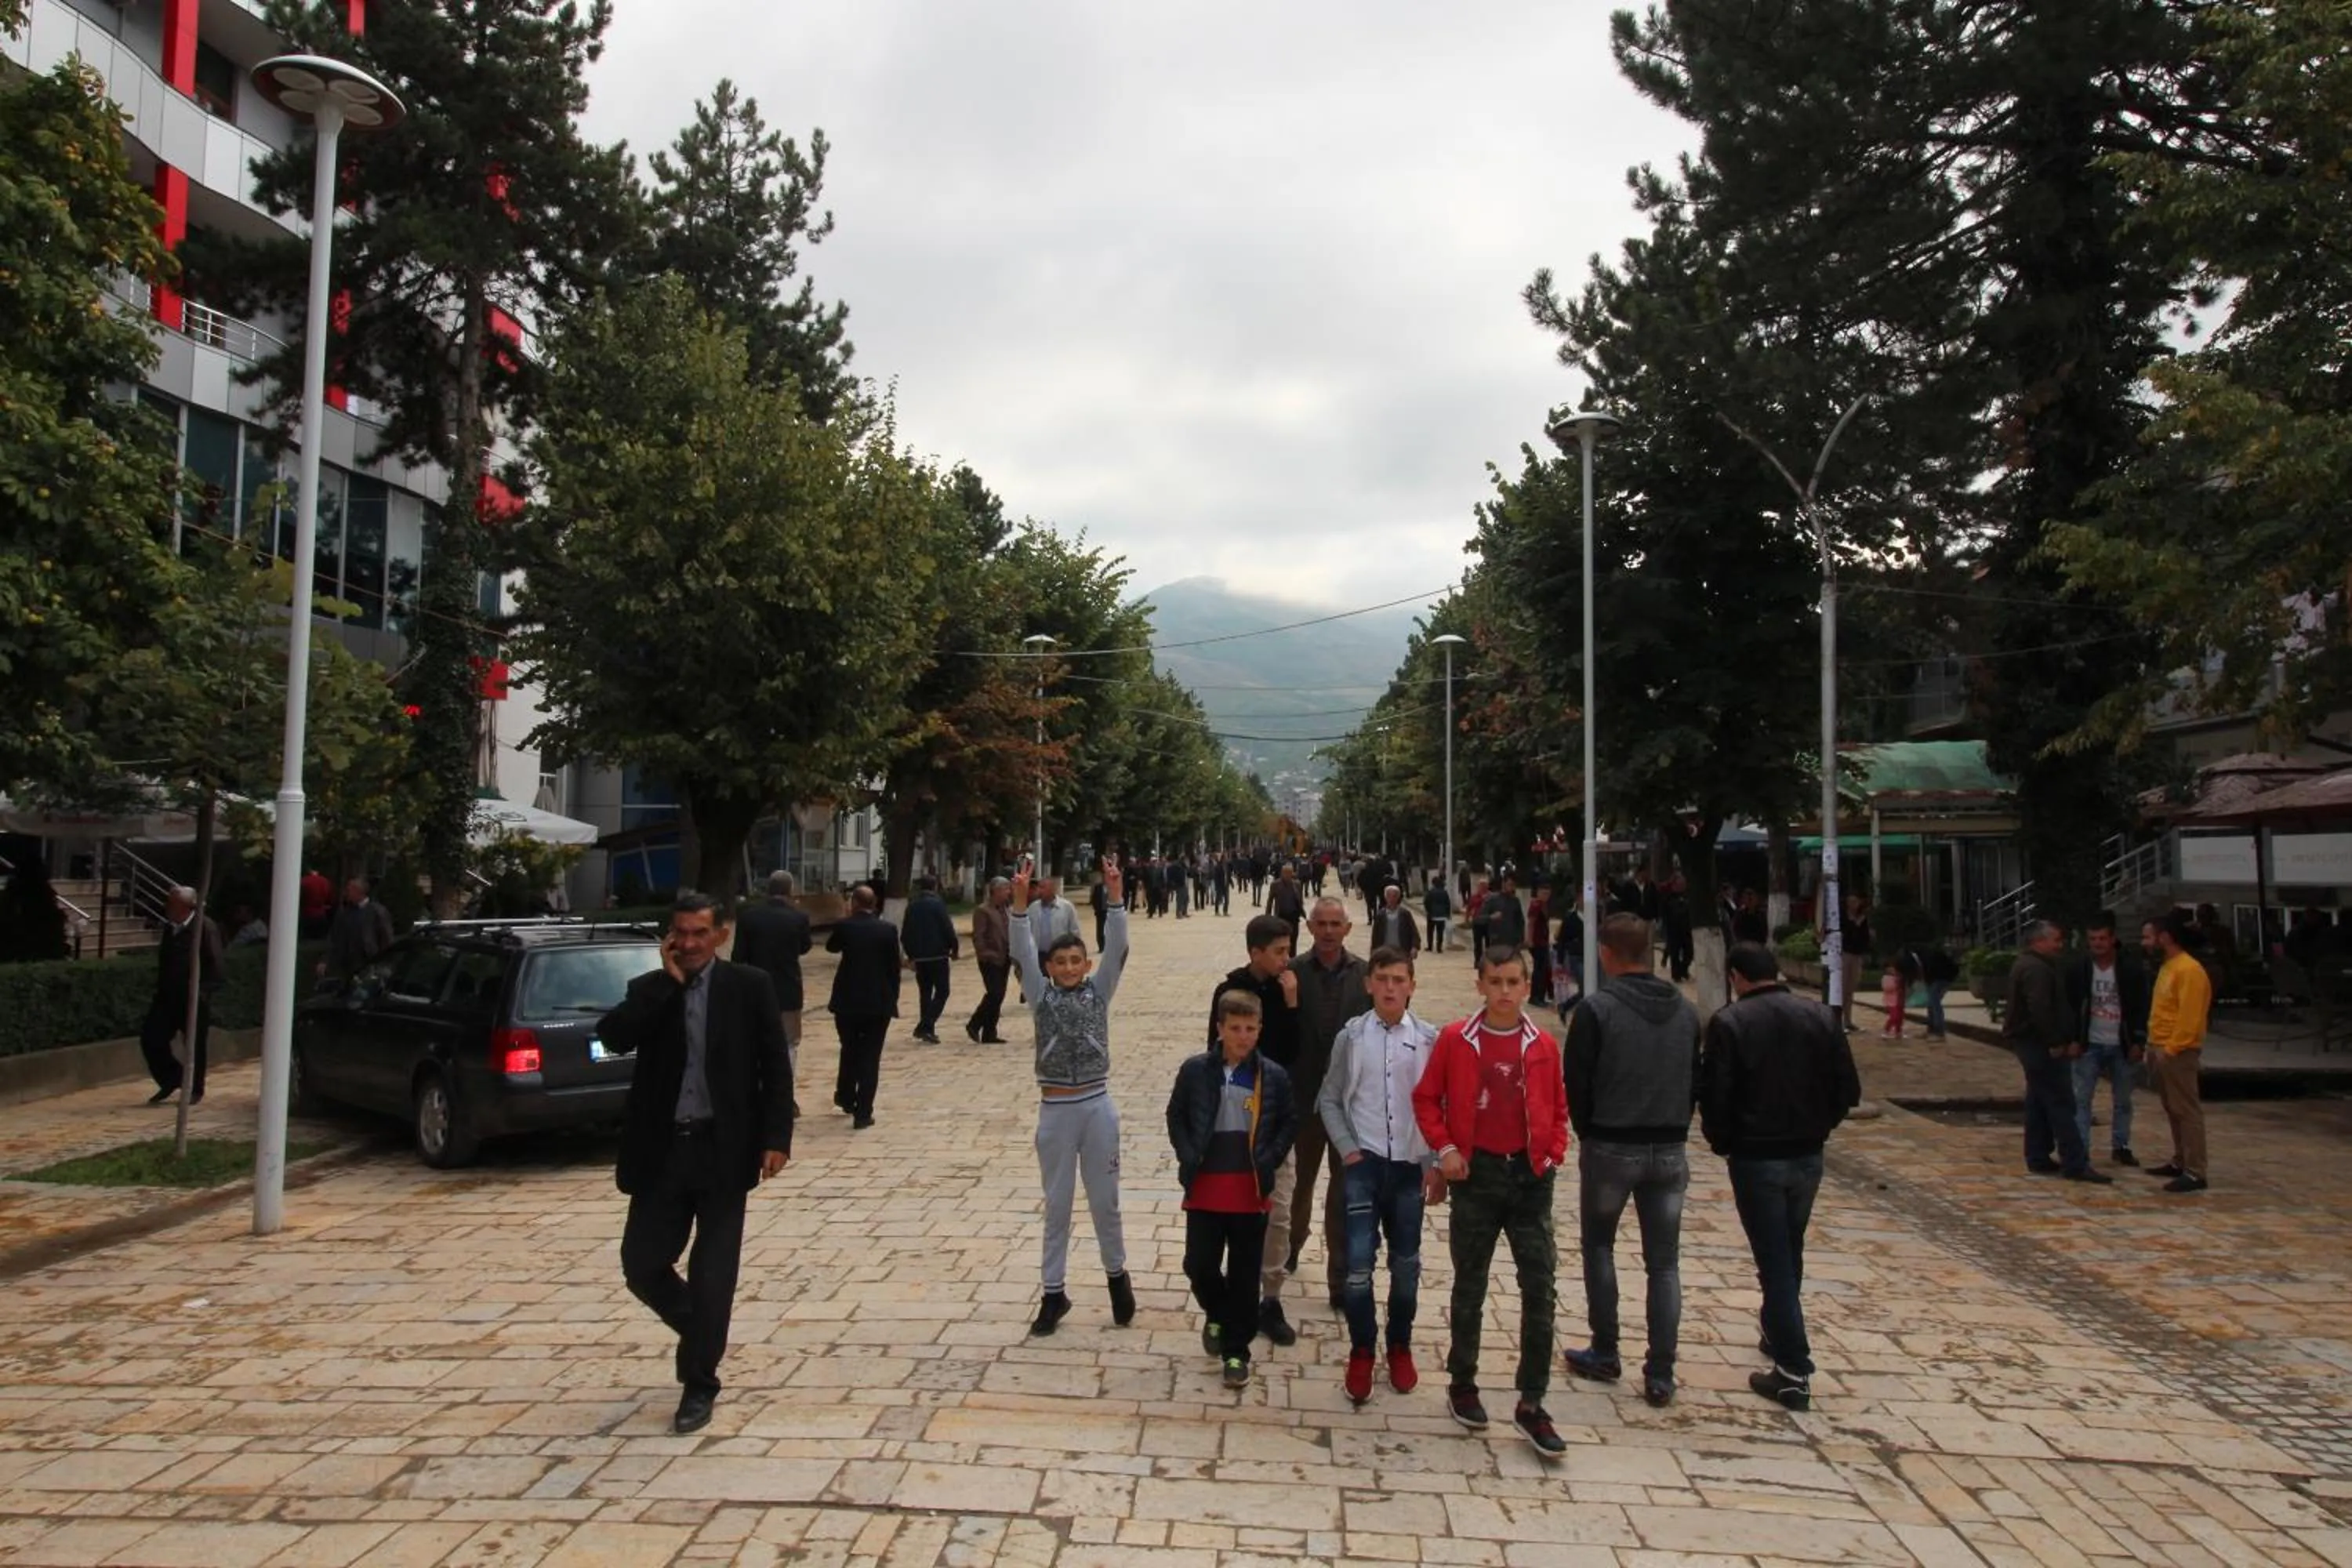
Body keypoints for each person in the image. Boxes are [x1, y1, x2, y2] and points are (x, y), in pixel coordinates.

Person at [602, 891, 793, 1435]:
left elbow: (774, 1066)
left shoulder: (748, 988)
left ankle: (699, 1383)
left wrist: (777, 1137)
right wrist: (667, 982)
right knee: (642, 1264)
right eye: (679, 933)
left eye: (698, 934)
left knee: (714, 1275)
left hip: (724, 1150)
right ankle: (702, 1329)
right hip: (662, 1153)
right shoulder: (652, 989)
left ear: (720, 936)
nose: (688, 943)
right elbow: (612, 1037)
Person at [1411, 944, 1572, 1457]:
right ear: (1479, 984)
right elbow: (1426, 1098)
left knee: (1540, 1286)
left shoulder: (1542, 1044)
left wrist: (1551, 1152)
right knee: (1471, 1283)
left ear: (1527, 987)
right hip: (1475, 1177)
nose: (1504, 992)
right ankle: (1464, 1381)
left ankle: (1532, 1399)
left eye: (1513, 982)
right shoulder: (1458, 1040)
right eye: (1495, 981)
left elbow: (1558, 1105)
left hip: (1529, 1178)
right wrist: (1448, 1149)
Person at [1703, 943, 1862, 1413]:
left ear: (1736, 976)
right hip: (1806, 1153)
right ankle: (1777, 1328)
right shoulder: (1820, 1018)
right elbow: (1846, 1090)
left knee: (1774, 1257)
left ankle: (1794, 1369)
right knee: (1788, 1248)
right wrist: (1820, 1127)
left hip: (1757, 1157)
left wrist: (1723, 1139)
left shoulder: (1730, 1024)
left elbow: (1717, 1096)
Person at [1560, 914, 1701, 1407]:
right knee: (1664, 1263)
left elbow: (1575, 1082)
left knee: (1599, 1246)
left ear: (1605, 952)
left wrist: (1588, 1131)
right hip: (1668, 1148)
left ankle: (1605, 1348)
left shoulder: (1597, 1011)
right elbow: (1693, 1078)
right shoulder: (1686, 1012)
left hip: (1611, 1144)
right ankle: (1661, 1371)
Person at [1013, 857, 1136, 1334]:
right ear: (1049, 967)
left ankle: (1117, 1277)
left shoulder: (1099, 992)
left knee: (1105, 1201)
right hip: (1056, 1111)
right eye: (1059, 962)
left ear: (1087, 965)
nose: (1067, 968)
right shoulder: (1040, 995)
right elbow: (1021, 950)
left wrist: (1116, 896)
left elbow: (1119, 945)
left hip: (1097, 1107)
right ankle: (1052, 1292)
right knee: (1058, 1204)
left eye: (1075, 961)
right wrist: (1020, 902)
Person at [1316, 946, 1437, 1405]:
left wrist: (1432, 1163)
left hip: (1408, 1169)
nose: (1390, 988)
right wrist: (1348, 1151)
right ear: (1369, 984)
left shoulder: (1427, 1039)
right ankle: (1362, 1347)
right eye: (1382, 978)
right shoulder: (1352, 1038)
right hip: (1364, 1167)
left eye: (1399, 980)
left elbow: (1437, 1103)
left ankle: (1400, 1343)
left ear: (1411, 985)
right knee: (1358, 1269)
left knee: (1406, 1266)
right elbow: (1329, 1098)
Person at [1170, 989, 1298, 1389]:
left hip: (1250, 1191)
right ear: (1220, 1029)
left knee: (1245, 1275)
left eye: (1250, 1028)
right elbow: (1176, 1115)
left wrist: (1271, 1157)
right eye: (1235, 1028)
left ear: (1260, 1030)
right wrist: (1190, 1152)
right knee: (1199, 1264)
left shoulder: (1272, 1076)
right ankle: (1219, 1314)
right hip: (1206, 1189)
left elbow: (1288, 1122)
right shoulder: (1195, 1071)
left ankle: (1236, 1352)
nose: (1243, 1036)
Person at [1209, 915, 1305, 1345]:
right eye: (1280, 951)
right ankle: (1228, 1300)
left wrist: (1291, 1005)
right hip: (1235, 1121)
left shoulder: (1289, 988)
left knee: (1278, 1212)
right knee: (1233, 1215)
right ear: (1256, 953)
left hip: (1277, 1117)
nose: (1287, 958)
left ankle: (1271, 1298)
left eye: (1289, 950)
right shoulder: (1229, 991)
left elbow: (1292, 1052)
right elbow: (1215, 1056)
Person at [1285, 897, 1372, 1323]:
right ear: (1309, 926)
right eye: (1321, 923)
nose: (1328, 931)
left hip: (1349, 1105)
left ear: (1348, 928)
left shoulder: (1365, 976)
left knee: (1344, 1191)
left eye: (1336, 923)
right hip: (1303, 1101)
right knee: (1298, 1185)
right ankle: (1291, 1249)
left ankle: (1339, 1277)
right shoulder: (1294, 973)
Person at [2002, 920, 2111, 1184]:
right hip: (2038, 1044)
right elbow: (2039, 1007)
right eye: (2056, 940)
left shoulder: (2032, 965)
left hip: (2031, 1042)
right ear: (2039, 941)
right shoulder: (2036, 969)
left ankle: (2038, 1155)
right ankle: (2074, 1161)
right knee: (2060, 1101)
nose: (2060, 945)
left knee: (2039, 1100)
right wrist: (2054, 1040)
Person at [2067, 913, 2151, 1167]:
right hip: (2089, 1042)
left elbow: (2140, 1007)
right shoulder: (2078, 969)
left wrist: (2138, 1040)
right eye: (2093, 939)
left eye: (2103, 938)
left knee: (2123, 1099)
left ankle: (2121, 1145)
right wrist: (2072, 1038)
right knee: (2082, 1098)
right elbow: (2070, 1007)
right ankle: (2081, 1147)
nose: (2098, 944)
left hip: (2121, 1042)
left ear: (2113, 939)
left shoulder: (2130, 969)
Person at [2146, 911, 2216, 1193]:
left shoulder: (2189, 970)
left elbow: (2190, 1017)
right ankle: (2180, 1159)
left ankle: (2196, 1170)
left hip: (2178, 1051)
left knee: (2186, 1110)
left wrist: (2172, 1048)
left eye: (2149, 936)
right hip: (2161, 1046)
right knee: (2173, 1108)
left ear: (2165, 937)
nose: (2146, 942)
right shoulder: (2169, 966)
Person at [729, 872, 812, 1099]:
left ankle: (757, 1091)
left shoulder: (749, 916)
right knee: (789, 1044)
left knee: (755, 1041)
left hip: (753, 989)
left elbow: (738, 956)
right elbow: (805, 947)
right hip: (788, 988)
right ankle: (784, 1095)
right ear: (790, 890)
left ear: (768, 889)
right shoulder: (799, 917)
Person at [825, 886, 901, 1129]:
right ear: (875, 903)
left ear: (855, 903)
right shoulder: (887, 930)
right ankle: (864, 1112)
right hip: (878, 1002)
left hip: (848, 1000)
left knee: (849, 1048)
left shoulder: (845, 926)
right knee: (870, 1056)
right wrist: (892, 999)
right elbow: (894, 968)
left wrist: (844, 917)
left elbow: (831, 947)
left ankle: (847, 1096)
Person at [140, 887, 223, 1105]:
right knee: (151, 1037)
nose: (167, 908)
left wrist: (203, 993)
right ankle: (172, 1078)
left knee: (195, 1044)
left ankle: (196, 1088)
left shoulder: (204, 928)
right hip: (167, 996)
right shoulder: (170, 928)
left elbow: (215, 964)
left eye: (172, 903)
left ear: (186, 907)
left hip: (193, 997)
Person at [899, 877, 960, 1044]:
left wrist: (912, 955)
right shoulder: (937, 904)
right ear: (935, 887)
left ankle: (928, 1029)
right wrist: (954, 948)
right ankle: (926, 1025)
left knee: (925, 993)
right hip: (938, 955)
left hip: (920, 957)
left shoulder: (912, 906)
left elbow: (905, 933)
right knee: (943, 991)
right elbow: (947, 928)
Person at [967, 877, 1014, 1044]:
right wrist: (985, 953)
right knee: (994, 993)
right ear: (996, 891)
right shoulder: (983, 910)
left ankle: (989, 1032)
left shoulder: (1007, 909)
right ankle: (974, 1023)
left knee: (999, 995)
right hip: (990, 959)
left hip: (1005, 958)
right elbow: (978, 936)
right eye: (1006, 889)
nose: (1009, 892)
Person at [321, 877, 394, 982]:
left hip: (368, 962)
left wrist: (383, 963)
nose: (347, 893)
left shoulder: (377, 912)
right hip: (347, 964)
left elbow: (386, 938)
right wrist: (325, 960)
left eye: (349, 890)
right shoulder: (344, 913)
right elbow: (334, 937)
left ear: (358, 891)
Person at [1838, 894, 1872, 1033]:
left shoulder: (1863, 918)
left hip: (1857, 955)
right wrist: (1854, 925)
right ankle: (1838, 1020)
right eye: (1851, 901)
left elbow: (1865, 938)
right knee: (1842, 989)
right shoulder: (1842, 918)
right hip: (1845, 954)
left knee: (1850, 990)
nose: (1854, 904)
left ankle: (1848, 1020)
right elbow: (1845, 933)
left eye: (1856, 901)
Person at [1369, 884, 1421, 960]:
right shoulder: (1380, 915)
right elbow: (1375, 935)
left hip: (1402, 951)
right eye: (1389, 896)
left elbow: (1414, 932)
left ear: (1398, 897)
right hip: (1385, 952)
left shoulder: (1405, 914)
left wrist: (1415, 947)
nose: (1392, 899)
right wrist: (1373, 952)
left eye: (1394, 896)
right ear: (1385, 897)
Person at [1480, 874, 1526, 957]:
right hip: (1497, 943)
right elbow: (1479, 919)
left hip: (1513, 945)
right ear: (1503, 883)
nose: (1512, 888)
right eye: (1510, 884)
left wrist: (1521, 941)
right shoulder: (1492, 899)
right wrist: (1491, 917)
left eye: (1514, 885)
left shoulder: (1515, 901)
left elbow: (1520, 922)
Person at [1265, 862, 1306, 949]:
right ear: (1282, 873)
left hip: (1294, 917)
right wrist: (1267, 917)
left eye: (1289, 873)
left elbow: (1300, 901)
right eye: (1285, 873)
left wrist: (1303, 914)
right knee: (1282, 940)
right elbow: (1270, 901)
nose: (1287, 875)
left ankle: (1293, 960)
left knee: (1293, 941)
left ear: (1292, 874)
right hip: (1281, 916)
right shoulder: (1275, 885)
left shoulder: (1297, 884)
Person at [297, 866, 334, 942]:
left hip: (307, 914)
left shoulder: (304, 881)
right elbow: (330, 898)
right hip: (321, 914)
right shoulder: (325, 881)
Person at [1422, 877, 1451, 953]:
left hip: (1432, 915)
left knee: (1430, 931)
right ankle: (1439, 948)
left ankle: (1430, 947)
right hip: (1442, 915)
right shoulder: (1444, 892)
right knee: (1440, 932)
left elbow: (1426, 902)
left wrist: (1429, 911)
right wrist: (1447, 914)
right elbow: (1448, 904)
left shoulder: (1431, 892)